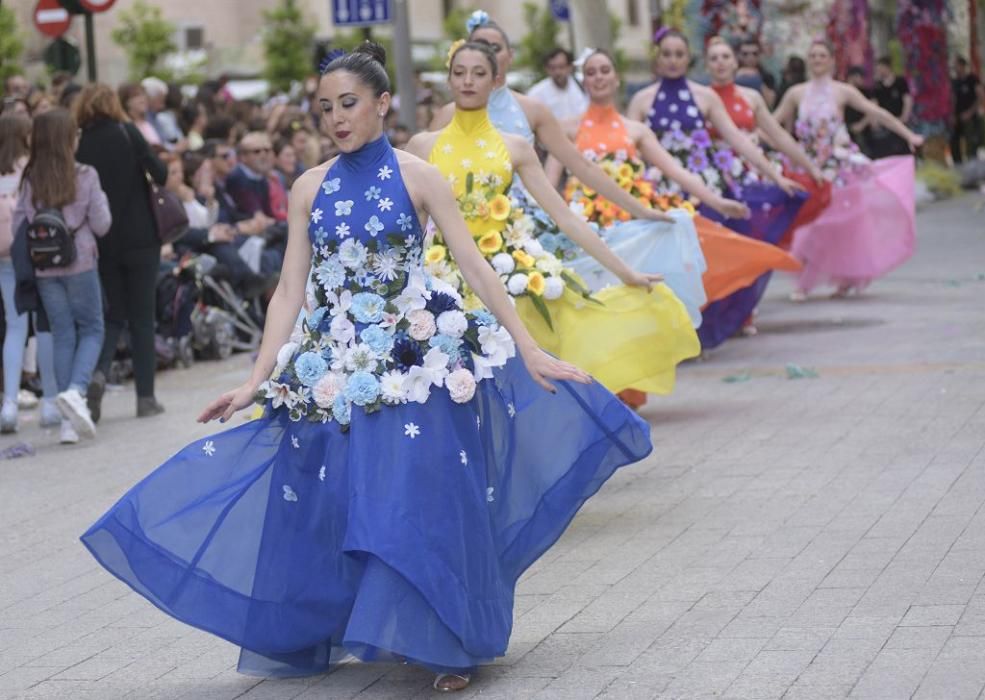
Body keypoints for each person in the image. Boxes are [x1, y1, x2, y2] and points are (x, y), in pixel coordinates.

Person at [81, 42, 652, 693]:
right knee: (340, 500)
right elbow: (289, 289)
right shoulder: (307, 187)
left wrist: (527, 346)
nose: (336, 118)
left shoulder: (418, 176)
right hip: (334, 367)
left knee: (416, 498)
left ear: (383, 102)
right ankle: (362, 624)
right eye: (324, 107)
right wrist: (255, 378)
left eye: (348, 103)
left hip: (417, 361)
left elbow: (471, 265)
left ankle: (442, 641)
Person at [408, 40, 698, 408]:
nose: (468, 81)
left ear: (496, 80)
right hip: (443, 277)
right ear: (449, 79)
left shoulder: (514, 147)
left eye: (479, 73)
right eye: (459, 73)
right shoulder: (422, 146)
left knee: (518, 386)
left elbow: (561, 215)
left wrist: (626, 273)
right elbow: (412, 228)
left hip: (508, 273)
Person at [549, 48, 754, 329]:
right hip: (588, 223)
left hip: (631, 224)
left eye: (605, 71)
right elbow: (548, 182)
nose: (598, 78)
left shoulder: (636, 130)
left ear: (617, 78)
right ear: (583, 80)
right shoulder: (565, 129)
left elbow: (676, 171)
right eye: (591, 72)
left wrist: (717, 202)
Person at [627, 29, 806, 349]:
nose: (672, 60)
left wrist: (776, 177)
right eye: (666, 54)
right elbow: (627, 151)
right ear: (657, 58)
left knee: (702, 259)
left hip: (701, 188)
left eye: (679, 54)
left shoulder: (704, 97)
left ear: (688, 58)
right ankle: (670, 331)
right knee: (666, 261)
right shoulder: (642, 100)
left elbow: (738, 140)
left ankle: (703, 327)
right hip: (659, 190)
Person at [431, 11, 672, 228]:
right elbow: (422, 179)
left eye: (495, 47)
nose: (487, 54)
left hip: (520, 227)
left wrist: (639, 209)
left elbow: (581, 165)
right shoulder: (447, 115)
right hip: (459, 226)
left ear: (510, 55)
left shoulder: (532, 109)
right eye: (479, 46)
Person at [773, 40, 924, 299]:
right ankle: (805, 280)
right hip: (807, 166)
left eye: (822, 55)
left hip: (838, 166)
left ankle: (844, 277)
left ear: (831, 60)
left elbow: (877, 112)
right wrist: (747, 138)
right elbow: (772, 123)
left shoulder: (842, 91)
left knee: (840, 225)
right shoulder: (796, 93)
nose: (817, 60)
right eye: (813, 55)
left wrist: (908, 134)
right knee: (810, 223)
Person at [13, 110, 111, 444]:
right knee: (93, 327)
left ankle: (69, 421)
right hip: (80, 261)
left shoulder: (30, 178)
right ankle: (76, 390)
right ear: (68, 138)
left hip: (44, 266)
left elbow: (20, 225)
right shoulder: (85, 174)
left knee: (62, 332)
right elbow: (102, 224)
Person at [73, 83, 168, 421]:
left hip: (102, 241)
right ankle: (145, 398)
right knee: (143, 318)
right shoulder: (128, 132)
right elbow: (161, 174)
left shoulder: (80, 140)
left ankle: (97, 374)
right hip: (141, 237)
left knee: (112, 315)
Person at [0, 113, 61, 433]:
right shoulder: (30, 169)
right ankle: (50, 401)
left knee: (14, 326)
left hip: (3, 259)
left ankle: (9, 402)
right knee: (44, 326)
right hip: (31, 254)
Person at [526, 48, 589, 121]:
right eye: (552, 68)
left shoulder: (584, 83)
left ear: (570, 67)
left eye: (561, 67)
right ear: (546, 69)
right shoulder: (536, 93)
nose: (557, 72)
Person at [869, 57, 913, 159]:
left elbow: (907, 100)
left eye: (880, 68)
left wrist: (904, 116)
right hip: (885, 122)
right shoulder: (877, 86)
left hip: (900, 120)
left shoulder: (900, 81)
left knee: (903, 149)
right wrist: (874, 121)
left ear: (887, 67)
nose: (879, 71)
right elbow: (873, 104)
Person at [951, 57, 984, 164]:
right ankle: (958, 166)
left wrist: (970, 112)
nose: (954, 68)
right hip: (958, 118)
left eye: (956, 65)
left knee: (971, 145)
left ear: (962, 65)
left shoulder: (972, 79)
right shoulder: (954, 82)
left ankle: (973, 168)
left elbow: (981, 96)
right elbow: (952, 100)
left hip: (971, 118)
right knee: (954, 142)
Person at [118, 83, 162, 148]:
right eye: (136, 96)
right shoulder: (124, 127)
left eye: (143, 95)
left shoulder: (147, 123)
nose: (143, 99)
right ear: (126, 102)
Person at [735, 38, 776, 107]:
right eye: (745, 54)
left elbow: (770, 103)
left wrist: (757, 79)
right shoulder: (731, 74)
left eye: (755, 54)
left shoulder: (767, 76)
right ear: (739, 55)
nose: (750, 57)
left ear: (760, 55)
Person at [844, 66, 873, 155]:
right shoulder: (842, 91)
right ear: (853, 77)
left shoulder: (866, 92)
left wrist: (862, 124)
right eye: (861, 77)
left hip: (863, 131)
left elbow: (873, 110)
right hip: (845, 129)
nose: (862, 80)